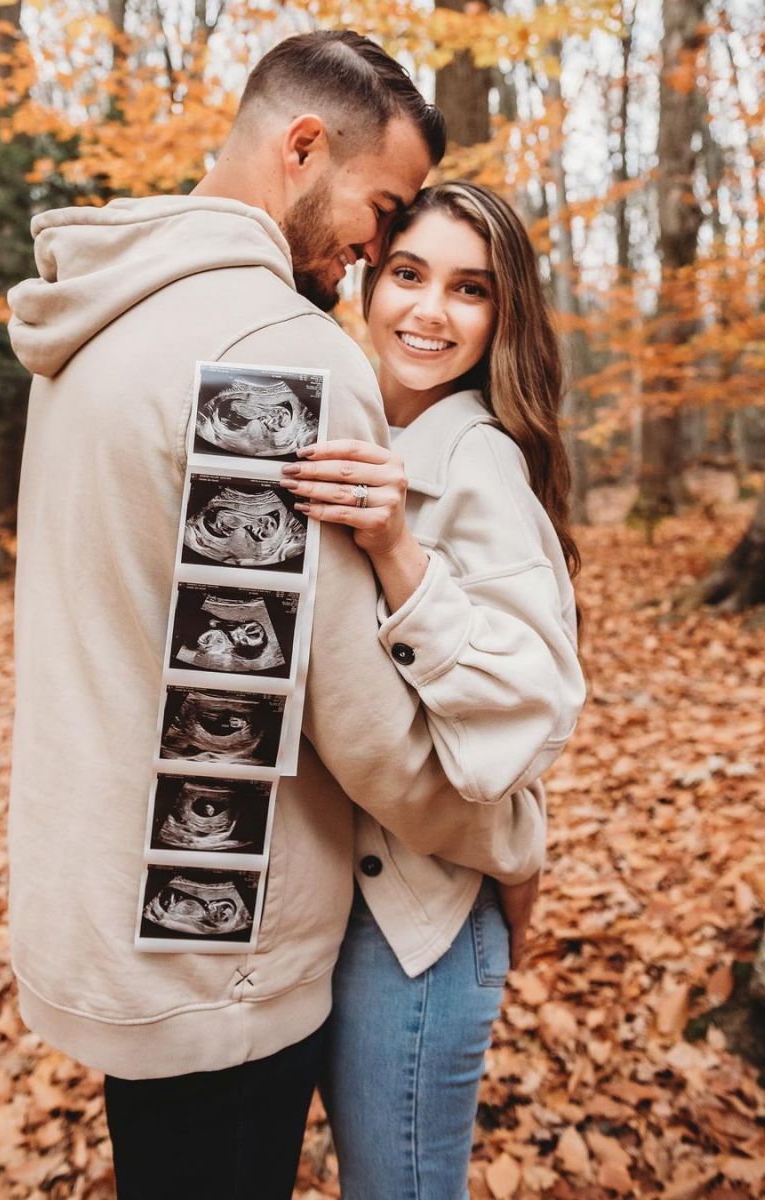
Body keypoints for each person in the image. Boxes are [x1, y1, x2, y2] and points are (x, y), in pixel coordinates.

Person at [5, 29, 572, 1199]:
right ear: (304, 145)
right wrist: (509, 839)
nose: (373, 246)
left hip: (106, 911)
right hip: (220, 946)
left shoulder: (93, 317)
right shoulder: (274, 355)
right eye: (381, 212)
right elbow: (353, 716)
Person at [278, 180, 585, 1199]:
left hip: (418, 925)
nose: (428, 312)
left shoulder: (477, 457)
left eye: (469, 290)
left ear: (502, 317)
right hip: (332, 896)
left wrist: (401, 551)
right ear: (368, 278)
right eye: (408, 274)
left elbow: (529, 709)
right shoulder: (366, 424)